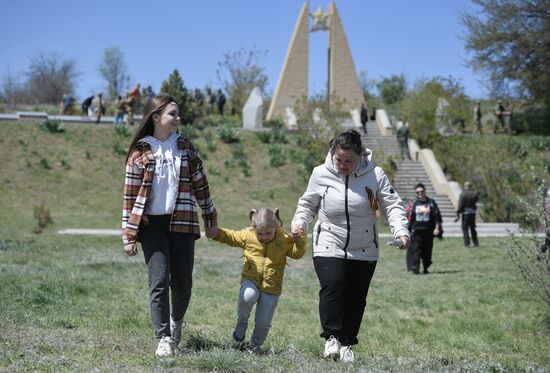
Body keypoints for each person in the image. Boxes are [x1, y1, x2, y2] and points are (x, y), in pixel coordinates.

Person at [290, 129, 410, 363]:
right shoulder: (320, 173)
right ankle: (331, 338)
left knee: (356, 297)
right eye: (339, 160)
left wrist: (401, 231)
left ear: (361, 157)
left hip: (364, 245)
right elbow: (307, 204)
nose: (343, 165)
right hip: (328, 240)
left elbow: (392, 204)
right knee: (333, 285)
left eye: (349, 161)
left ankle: (347, 343)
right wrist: (299, 223)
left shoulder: (375, 174)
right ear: (332, 154)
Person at [121, 93, 218, 358]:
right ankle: (163, 337)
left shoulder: (185, 147)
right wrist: (128, 235)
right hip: (152, 224)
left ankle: (176, 323)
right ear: (156, 117)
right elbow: (129, 197)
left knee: (183, 283)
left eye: (177, 114)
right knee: (159, 280)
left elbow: (201, 184)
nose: (177, 118)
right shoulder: (140, 151)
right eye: (172, 114)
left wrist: (210, 216)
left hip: (183, 220)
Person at [209, 208, 307, 354]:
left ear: (276, 226)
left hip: (272, 287)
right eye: (260, 234)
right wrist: (217, 233)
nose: (264, 237)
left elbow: (297, 254)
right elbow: (231, 236)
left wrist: (299, 241)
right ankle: (242, 322)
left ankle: (255, 346)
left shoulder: (284, 239)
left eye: (268, 233)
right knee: (247, 295)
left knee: (263, 322)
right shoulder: (248, 236)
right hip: (251, 279)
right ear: (254, 228)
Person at [407, 183, 443, 275]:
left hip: (428, 231)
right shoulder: (415, 204)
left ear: (425, 191)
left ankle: (426, 267)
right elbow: (411, 218)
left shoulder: (431, 202)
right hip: (417, 230)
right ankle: (416, 266)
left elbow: (437, 216)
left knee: (427, 251)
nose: (420, 193)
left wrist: (437, 228)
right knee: (416, 249)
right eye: (418, 192)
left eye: (421, 191)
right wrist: (408, 230)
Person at [454, 181, 479, 247]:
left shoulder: (463, 194)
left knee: (465, 229)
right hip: (473, 213)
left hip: (465, 213)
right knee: (473, 228)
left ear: (465, 186)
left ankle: (467, 243)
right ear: (471, 186)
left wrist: (458, 213)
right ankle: (476, 242)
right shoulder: (474, 194)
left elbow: (460, 205)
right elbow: (476, 200)